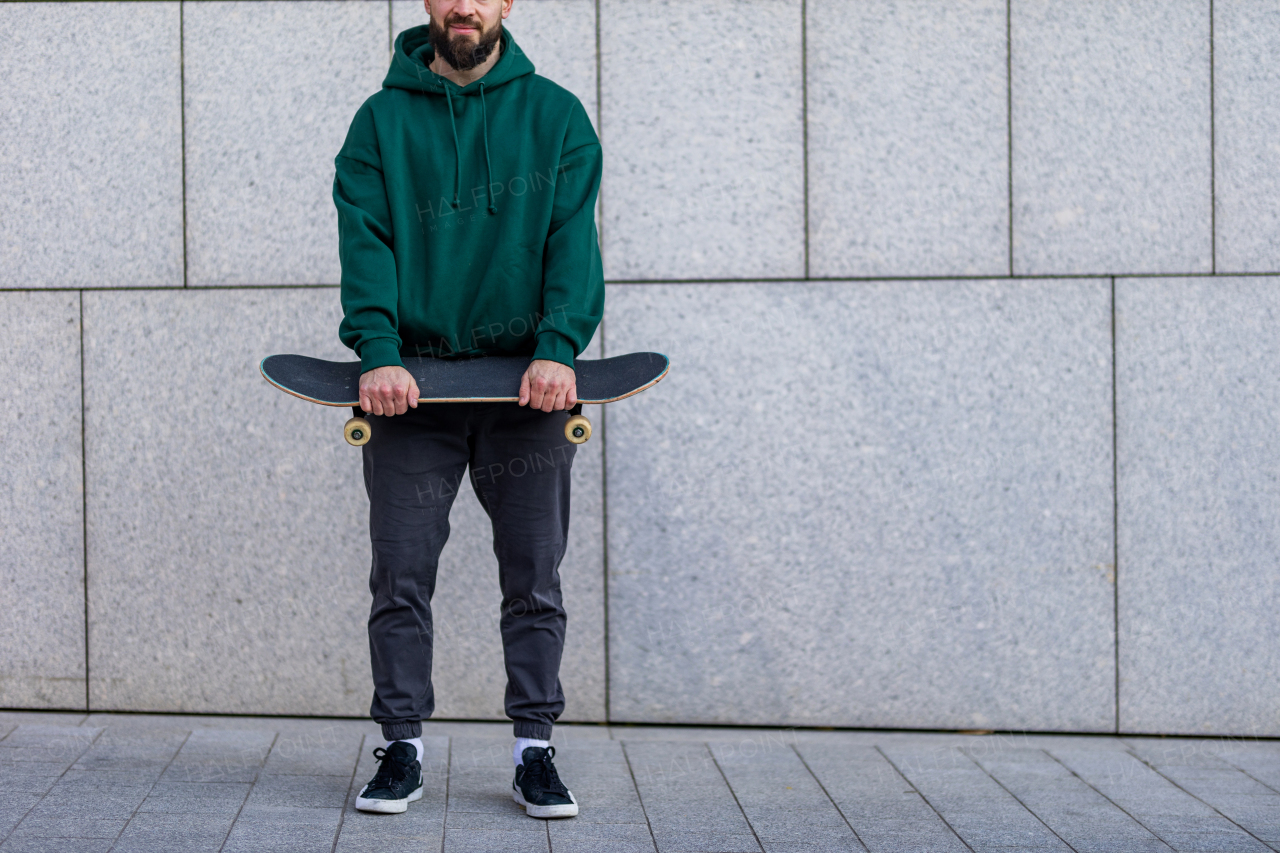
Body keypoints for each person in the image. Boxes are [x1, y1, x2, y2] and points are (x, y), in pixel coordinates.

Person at [331, 0, 602, 819]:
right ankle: (401, 746)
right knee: (401, 578)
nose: (464, 6)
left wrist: (560, 345)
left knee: (534, 578)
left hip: (530, 390)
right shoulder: (379, 123)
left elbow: (571, 240)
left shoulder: (555, 116)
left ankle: (535, 752)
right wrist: (377, 352)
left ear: (506, 4)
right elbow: (365, 237)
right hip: (412, 392)